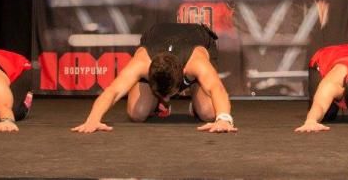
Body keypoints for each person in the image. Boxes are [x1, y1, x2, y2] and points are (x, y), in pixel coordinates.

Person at [71, 22, 237, 133]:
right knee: (137, 114)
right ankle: (156, 105)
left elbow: (217, 88)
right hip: (157, 35)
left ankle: (196, 96)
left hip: (195, 38)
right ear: (149, 74)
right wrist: (93, 120)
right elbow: (113, 91)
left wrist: (224, 119)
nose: (166, 98)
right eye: (161, 95)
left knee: (209, 113)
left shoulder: (196, 62)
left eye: (168, 95)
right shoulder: (142, 62)